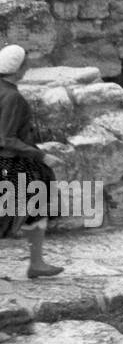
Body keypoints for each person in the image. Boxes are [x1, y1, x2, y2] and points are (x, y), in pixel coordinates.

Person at [0, 44, 63, 278]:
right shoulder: (12, 97)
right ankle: (36, 262)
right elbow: (6, 139)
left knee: (34, 209)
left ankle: (37, 263)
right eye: (25, 63)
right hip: (11, 165)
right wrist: (42, 155)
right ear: (18, 68)